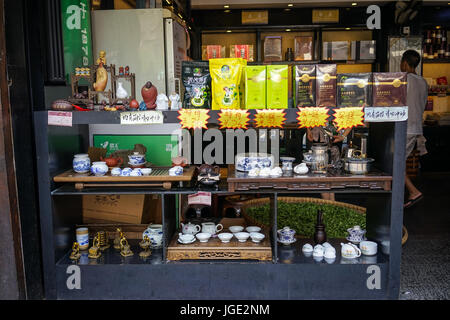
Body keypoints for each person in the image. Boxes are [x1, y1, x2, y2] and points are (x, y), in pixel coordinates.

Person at [400, 50, 428, 209]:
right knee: (399, 163)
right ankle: (401, 193)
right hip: (416, 127)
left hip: (405, 127)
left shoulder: (404, 80)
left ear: (404, 63)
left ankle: (413, 191)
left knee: (395, 164)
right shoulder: (423, 81)